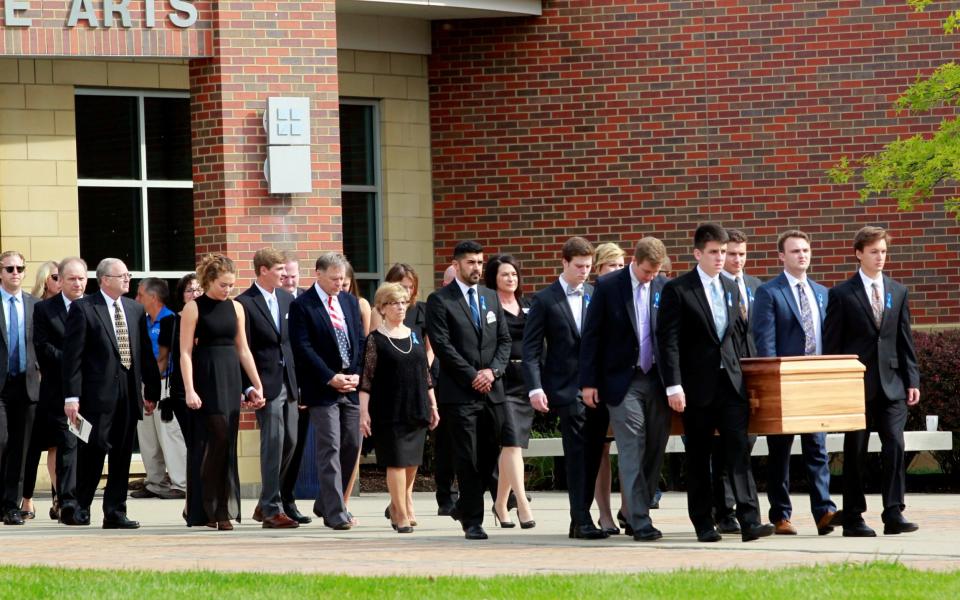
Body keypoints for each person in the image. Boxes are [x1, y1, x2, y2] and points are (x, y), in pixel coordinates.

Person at [656, 224, 774, 543]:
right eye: (714, 252)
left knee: (739, 451)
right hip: (695, 388)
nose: (721, 257)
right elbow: (667, 342)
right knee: (699, 456)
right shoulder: (678, 290)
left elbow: (736, 338)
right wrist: (673, 386)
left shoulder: (732, 287)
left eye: (723, 251)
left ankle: (750, 520)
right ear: (698, 253)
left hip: (731, 385)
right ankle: (703, 522)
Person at [824, 226, 920, 537]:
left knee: (894, 443)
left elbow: (904, 340)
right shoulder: (841, 294)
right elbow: (832, 345)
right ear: (859, 254)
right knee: (856, 452)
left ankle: (894, 512)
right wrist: (837, 384)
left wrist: (912, 379)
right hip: (857, 385)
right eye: (874, 252)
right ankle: (853, 517)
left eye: (883, 252)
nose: (880, 257)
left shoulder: (897, 291)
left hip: (892, 384)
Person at [580, 237, 672, 542]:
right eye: (647, 271)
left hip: (656, 380)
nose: (650, 277)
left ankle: (635, 511)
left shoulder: (662, 287)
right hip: (622, 381)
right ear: (635, 261)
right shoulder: (608, 287)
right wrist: (589, 382)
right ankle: (641, 521)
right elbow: (591, 337)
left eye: (656, 272)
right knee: (633, 446)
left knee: (655, 447)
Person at [752, 229, 842, 536]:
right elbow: (765, 341)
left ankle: (824, 512)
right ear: (782, 256)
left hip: (814, 381)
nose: (801, 255)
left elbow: (827, 338)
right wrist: (773, 379)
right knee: (781, 450)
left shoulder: (822, 292)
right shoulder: (769, 292)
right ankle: (780, 515)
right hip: (785, 381)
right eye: (794, 251)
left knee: (817, 448)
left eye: (805, 250)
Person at [62, 258, 161, 529]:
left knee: (121, 456)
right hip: (95, 397)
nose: (128, 279)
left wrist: (151, 389)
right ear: (105, 279)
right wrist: (72, 397)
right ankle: (80, 507)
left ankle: (115, 511)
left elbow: (144, 354)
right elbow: (73, 358)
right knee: (92, 453)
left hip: (128, 395)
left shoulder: (135, 309)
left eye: (128, 275)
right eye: (122, 275)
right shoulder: (84, 309)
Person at [524, 237, 609, 540]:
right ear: (564, 263)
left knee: (593, 453)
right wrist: (535, 388)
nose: (584, 272)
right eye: (578, 266)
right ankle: (582, 519)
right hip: (565, 387)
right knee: (576, 454)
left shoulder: (594, 294)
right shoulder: (545, 300)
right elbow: (531, 349)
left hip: (596, 389)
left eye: (588, 267)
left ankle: (580, 518)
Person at [427, 240, 511, 540]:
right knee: (467, 457)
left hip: (492, 392)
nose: (477, 268)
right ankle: (473, 520)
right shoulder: (440, 300)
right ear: (456, 265)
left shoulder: (490, 297)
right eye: (471, 262)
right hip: (459, 393)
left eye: (479, 262)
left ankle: (465, 505)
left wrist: (493, 372)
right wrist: (472, 375)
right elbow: (442, 346)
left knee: (489, 456)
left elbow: (504, 340)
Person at [179, 254, 264, 530]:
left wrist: (255, 383)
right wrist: (190, 389)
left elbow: (244, 349)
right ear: (209, 281)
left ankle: (220, 507)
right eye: (223, 284)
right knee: (213, 441)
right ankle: (208, 508)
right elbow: (185, 352)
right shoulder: (194, 308)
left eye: (231, 285)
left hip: (229, 379)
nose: (228, 289)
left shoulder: (236, 308)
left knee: (226, 443)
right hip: (205, 378)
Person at [289, 252, 365, 530]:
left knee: (352, 445)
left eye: (343, 279)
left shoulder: (349, 301)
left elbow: (359, 338)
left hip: (351, 385)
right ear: (318, 274)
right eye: (334, 278)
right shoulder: (302, 306)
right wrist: (330, 377)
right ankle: (335, 512)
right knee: (330, 446)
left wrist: (355, 373)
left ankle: (325, 500)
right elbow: (303, 347)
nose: (339, 284)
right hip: (322, 388)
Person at [359, 283, 440, 533]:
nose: (401, 307)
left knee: (412, 462)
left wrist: (433, 404)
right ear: (382, 308)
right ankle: (402, 514)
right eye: (394, 303)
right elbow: (366, 380)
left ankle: (398, 504)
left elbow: (425, 374)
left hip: (416, 405)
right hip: (387, 409)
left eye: (403, 302)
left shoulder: (414, 334)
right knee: (395, 461)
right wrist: (364, 413)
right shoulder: (375, 339)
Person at [236, 248, 301, 529]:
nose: (285, 275)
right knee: (273, 443)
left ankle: (265, 503)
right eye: (279, 270)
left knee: (291, 441)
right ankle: (273, 509)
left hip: (291, 382)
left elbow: (291, 343)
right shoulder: (244, 303)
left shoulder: (287, 299)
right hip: (264, 385)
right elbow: (242, 349)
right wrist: (249, 387)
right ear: (263, 270)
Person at [710, 229, 763, 534]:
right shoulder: (717, 288)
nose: (737, 260)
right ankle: (724, 510)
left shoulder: (756, 286)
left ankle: (739, 507)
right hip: (724, 375)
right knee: (723, 447)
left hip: (752, 373)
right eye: (731, 254)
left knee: (746, 441)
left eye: (742, 254)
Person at [32, 258, 85, 525]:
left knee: (87, 446)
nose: (78, 283)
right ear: (60, 281)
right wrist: (74, 361)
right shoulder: (44, 310)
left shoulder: (94, 306)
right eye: (72, 279)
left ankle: (82, 501)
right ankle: (67, 502)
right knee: (66, 446)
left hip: (92, 390)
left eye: (82, 278)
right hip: (59, 392)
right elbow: (42, 347)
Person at [485, 254, 535, 529]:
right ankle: (522, 504)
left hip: (525, 380)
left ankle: (500, 503)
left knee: (512, 446)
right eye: (505, 274)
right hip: (500, 381)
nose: (511, 279)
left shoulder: (528, 305)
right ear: (494, 278)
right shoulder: (488, 306)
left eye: (514, 274)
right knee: (512, 442)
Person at [131, 278, 187, 500]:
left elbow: (163, 358)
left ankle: (180, 483)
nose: (136, 299)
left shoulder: (169, 320)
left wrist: (152, 389)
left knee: (168, 434)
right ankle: (155, 482)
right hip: (143, 382)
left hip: (163, 383)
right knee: (147, 435)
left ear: (153, 297)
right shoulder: (141, 321)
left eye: (140, 295)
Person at [0, 251, 40, 526]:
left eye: (20, 268)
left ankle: (10, 506)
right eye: (10, 268)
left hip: (26, 386)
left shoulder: (35, 305)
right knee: (1, 441)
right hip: (1, 385)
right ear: (0, 272)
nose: (16, 273)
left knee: (21, 448)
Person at [589, 242, 627, 534]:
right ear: (598, 269)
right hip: (598, 385)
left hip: (624, 384)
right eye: (611, 265)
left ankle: (629, 508)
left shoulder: (628, 294)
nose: (617, 271)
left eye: (620, 265)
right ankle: (604, 513)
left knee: (629, 448)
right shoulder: (593, 296)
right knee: (601, 450)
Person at [20, 259, 61, 520]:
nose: (61, 281)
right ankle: (27, 498)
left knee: (58, 446)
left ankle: (59, 498)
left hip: (56, 388)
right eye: (56, 277)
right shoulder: (33, 307)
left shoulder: (70, 310)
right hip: (33, 386)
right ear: (45, 280)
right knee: (32, 447)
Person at [277, 253, 311, 522]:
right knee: (281, 444)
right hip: (279, 384)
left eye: (293, 275)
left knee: (296, 445)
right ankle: (277, 499)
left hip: (304, 385)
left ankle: (288, 499)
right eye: (284, 275)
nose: (289, 280)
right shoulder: (273, 302)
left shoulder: (307, 302)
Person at [433, 262, 460, 516]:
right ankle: (446, 495)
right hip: (444, 378)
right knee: (445, 443)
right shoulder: (439, 303)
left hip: (472, 380)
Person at [343, 263, 372, 336]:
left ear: (352, 283)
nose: (340, 288)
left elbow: (367, 335)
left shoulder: (362, 303)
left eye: (344, 285)